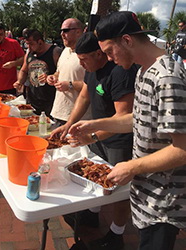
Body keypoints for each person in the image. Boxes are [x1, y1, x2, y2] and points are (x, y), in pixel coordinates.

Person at [69, 11, 186, 250]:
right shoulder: (144, 70)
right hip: (145, 195)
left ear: (127, 40)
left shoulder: (167, 78)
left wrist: (132, 166)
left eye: (110, 51)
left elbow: (182, 149)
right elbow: (137, 118)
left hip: (163, 202)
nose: (109, 59)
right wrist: (96, 124)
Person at [52, 31, 138, 250]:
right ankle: (92, 213)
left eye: (84, 59)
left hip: (119, 140)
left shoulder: (120, 72)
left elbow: (122, 117)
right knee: (97, 175)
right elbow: (84, 96)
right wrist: (69, 124)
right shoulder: (91, 70)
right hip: (98, 134)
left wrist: (91, 135)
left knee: (119, 188)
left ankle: (116, 233)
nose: (81, 64)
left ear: (100, 54)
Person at [47, 18, 91, 126]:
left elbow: (94, 85)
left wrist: (70, 85)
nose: (62, 34)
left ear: (78, 32)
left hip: (78, 119)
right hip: (58, 114)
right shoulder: (65, 51)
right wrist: (53, 77)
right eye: (61, 31)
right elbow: (59, 72)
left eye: (66, 30)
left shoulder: (89, 55)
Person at [13, 29, 62, 116]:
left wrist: (51, 77)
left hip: (49, 100)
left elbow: (62, 72)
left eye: (31, 44)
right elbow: (24, 70)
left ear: (40, 42)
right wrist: (20, 81)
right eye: (27, 44)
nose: (28, 47)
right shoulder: (29, 52)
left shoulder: (55, 52)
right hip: (32, 99)